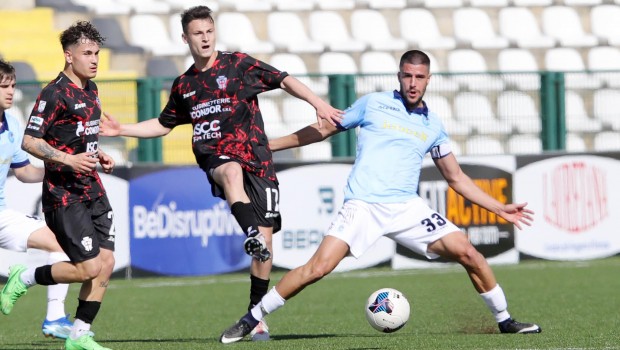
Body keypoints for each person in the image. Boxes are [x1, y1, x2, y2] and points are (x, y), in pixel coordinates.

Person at [219, 50, 542, 344]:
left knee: (468, 253)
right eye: (407, 75)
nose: (412, 83)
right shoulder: (374, 103)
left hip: (406, 208)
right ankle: (251, 319)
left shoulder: (433, 125)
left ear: (428, 79)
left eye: (419, 77)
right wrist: (269, 147)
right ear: (399, 76)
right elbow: (325, 129)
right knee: (317, 269)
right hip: (363, 205)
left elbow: (455, 177)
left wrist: (499, 207)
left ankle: (505, 320)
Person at [99, 5, 342, 341]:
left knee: (266, 246)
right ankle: (250, 232)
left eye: (209, 31)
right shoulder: (185, 85)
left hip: (258, 161)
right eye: (198, 33)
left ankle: (256, 315)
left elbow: (283, 79)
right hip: (216, 156)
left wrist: (319, 104)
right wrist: (121, 128)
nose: (205, 38)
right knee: (229, 172)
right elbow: (163, 123)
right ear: (185, 38)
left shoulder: (238, 65)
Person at [0, 21, 116, 350]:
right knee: (87, 268)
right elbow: (31, 142)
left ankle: (79, 334)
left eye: (97, 53)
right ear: (69, 56)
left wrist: (98, 155)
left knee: (105, 264)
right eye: (87, 54)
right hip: (64, 197)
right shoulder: (53, 93)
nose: (94, 60)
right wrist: (68, 161)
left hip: (92, 190)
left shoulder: (91, 90)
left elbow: (80, 140)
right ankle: (24, 278)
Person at [0, 59, 78, 339]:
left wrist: (62, 167)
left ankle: (55, 318)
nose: (10, 91)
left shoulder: (11, 122)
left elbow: (23, 172)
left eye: (12, 85)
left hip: (1, 215)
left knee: (60, 242)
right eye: (3, 86)